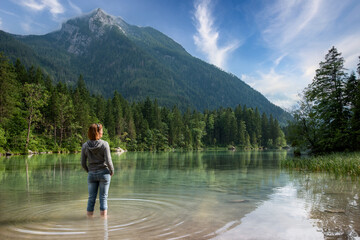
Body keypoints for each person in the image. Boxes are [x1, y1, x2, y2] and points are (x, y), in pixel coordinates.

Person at [81, 123, 114, 217]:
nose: (102, 132)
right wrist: (112, 170)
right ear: (97, 132)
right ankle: (103, 223)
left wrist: (89, 171)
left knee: (91, 198)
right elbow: (108, 161)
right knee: (103, 198)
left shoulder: (85, 146)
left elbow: (83, 163)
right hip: (104, 173)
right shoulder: (104, 144)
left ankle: (89, 220)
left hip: (91, 173)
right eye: (101, 131)